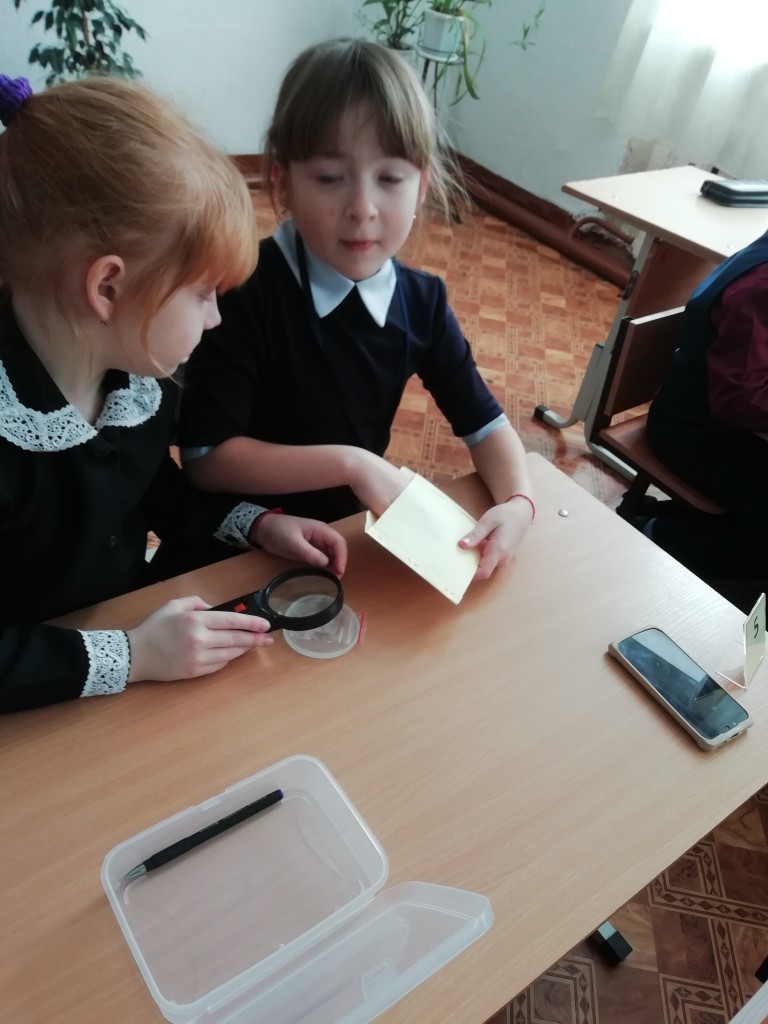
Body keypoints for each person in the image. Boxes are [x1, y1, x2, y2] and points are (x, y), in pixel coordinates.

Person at [0, 74, 346, 713]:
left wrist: (256, 524)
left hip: (121, 661)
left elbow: (147, 487)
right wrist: (132, 656)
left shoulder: (132, 374)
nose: (215, 319)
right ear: (108, 288)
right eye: (204, 294)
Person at [178, 37, 534, 582]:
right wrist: (353, 462)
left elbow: (486, 425)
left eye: (389, 179)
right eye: (329, 178)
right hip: (240, 543)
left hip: (347, 548)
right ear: (283, 183)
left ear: (422, 187)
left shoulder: (422, 301)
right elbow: (206, 459)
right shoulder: (244, 290)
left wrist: (518, 502)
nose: (362, 209)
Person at [644, 228, 768, 586]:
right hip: (695, 431)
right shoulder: (760, 286)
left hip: (734, 426)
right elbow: (736, 399)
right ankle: (655, 534)